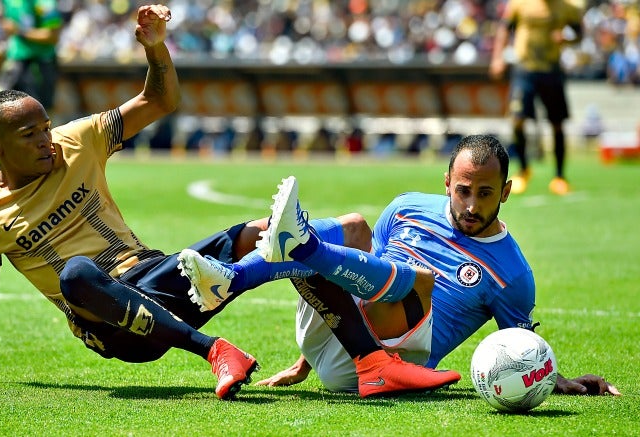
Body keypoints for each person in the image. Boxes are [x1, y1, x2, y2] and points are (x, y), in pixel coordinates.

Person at [0, 4, 461, 401]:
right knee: (77, 274)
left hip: (158, 275)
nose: (46, 140)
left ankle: (372, 363)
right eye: (29, 135)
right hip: (110, 324)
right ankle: (213, 349)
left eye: (45, 126)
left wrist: (156, 49)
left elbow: (159, 99)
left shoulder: (76, 140)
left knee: (272, 232)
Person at [178, 134, 620, 396]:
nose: (471, 204)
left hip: (392, 360)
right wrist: (305, 361)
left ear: (505, 192)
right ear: (447, 182)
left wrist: (555, 378)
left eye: (485, 194)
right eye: (463, 190)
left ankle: (301, 245)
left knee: (418, 282)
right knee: (353, 227)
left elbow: (521, 345)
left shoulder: (514, 275)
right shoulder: (407, 207)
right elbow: (358, 267)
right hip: (335, 334)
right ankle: (232, 279)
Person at [489, 0, 583, 196]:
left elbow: (579, 32)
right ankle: (523, 170)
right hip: (525, 69)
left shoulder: (568, 7)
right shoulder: (520, 4)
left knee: (557, 123)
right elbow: (505, 28)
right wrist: (497, 58)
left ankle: (559, 176)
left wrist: (566, 39)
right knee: (517, 119)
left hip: (551, 70)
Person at [0, 0, 63, 112]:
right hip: (15, 61)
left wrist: (19, 30)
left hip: (39, 63)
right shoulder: (9, 2)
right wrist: (0, 49)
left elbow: (53, 36)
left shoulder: (46, 3)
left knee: (38, 111)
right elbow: (10, 33)